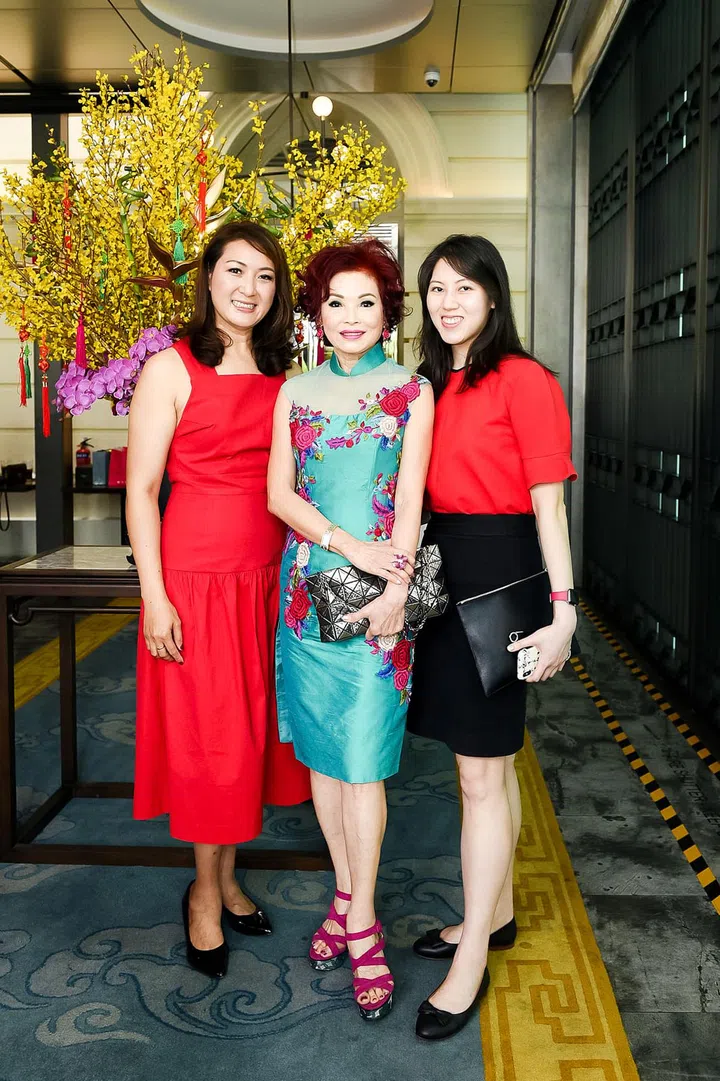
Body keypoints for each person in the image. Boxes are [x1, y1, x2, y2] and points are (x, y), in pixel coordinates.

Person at [128, 220, 311, 980]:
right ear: (208, 278)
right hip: (197, 582)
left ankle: (228, 876)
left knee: (249, 738)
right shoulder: (169, 367)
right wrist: (155, 596)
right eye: (235, 270)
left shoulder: (283, 370)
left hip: (268, 577)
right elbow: (141, 490)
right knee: (212, 742)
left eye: (265, 276)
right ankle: (204, 894)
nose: (248, 288)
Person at [407, 234, 577, 1041]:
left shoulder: (525, 378)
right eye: (436, 288)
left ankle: (472, 950)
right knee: (482, 764)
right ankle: (497, 911)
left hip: (504, 576)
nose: (448, 302)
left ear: (493, 297)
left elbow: (550, 504)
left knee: (481, 771)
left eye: (464, 288)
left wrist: (564, 610)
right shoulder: (429, 383)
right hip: (445, 571)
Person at [267, 238, 434, 1021]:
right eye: (336, 301)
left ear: (387, 312)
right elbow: (279, 494)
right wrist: (344, 543)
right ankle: (345, 894)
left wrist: (395, 589)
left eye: (367, 301)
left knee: (363, 762)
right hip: (308, 594)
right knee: (325, 762)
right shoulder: (294, 391)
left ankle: (361, 921)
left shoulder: (411, 391)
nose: (351, 316)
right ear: (317, 311)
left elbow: (411, 502)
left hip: (378, 602)